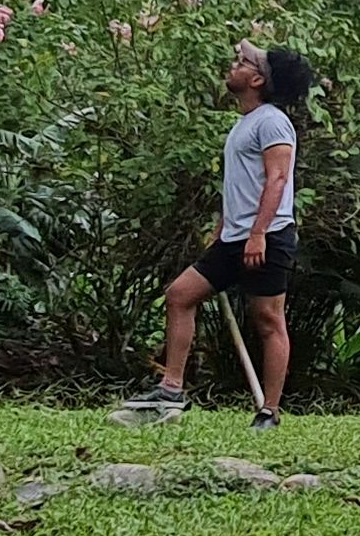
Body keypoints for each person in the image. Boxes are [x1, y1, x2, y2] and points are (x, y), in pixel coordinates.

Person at [128, 42, 309, 421]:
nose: (233, 65)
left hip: (269, 236)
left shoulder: (272, 121)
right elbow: (244, 182)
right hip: (234, 238)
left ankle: (270, 411)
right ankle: (171, 389)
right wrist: (225, 225)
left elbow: (277, 179)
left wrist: (258, 232)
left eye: (242, 63)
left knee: (268, 319)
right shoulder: (245, 123)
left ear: (257, 79)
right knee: (180, 295)